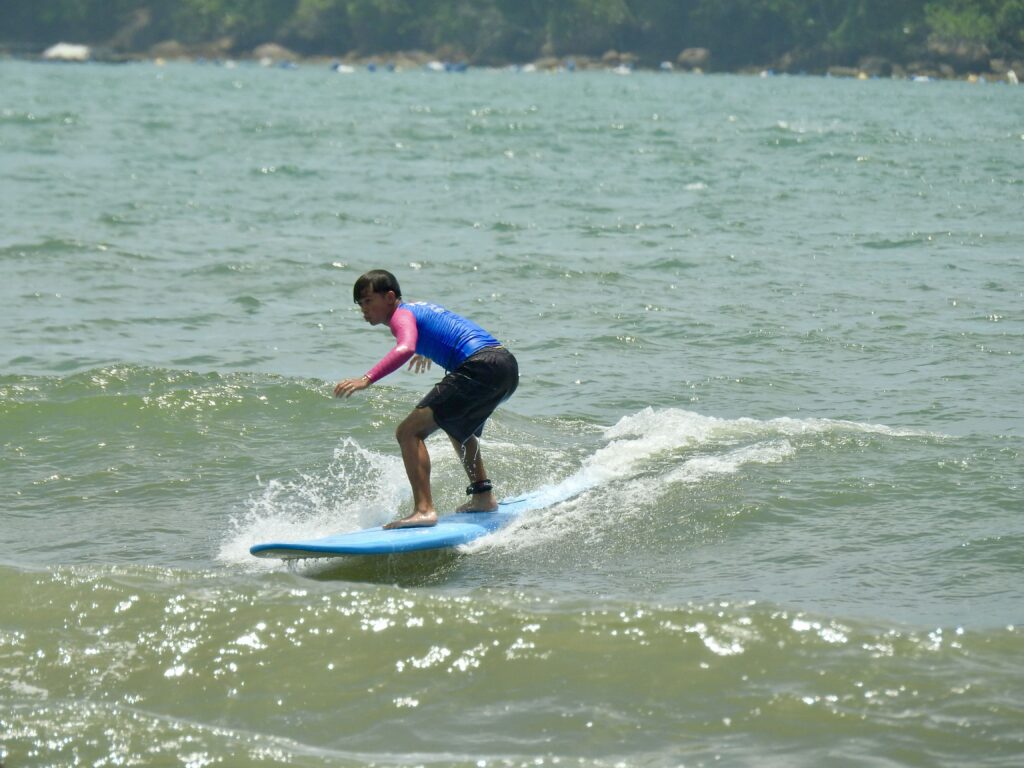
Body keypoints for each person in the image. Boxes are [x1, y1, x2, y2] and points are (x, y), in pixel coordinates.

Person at [333, 269, 519, 529]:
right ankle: (483, 496)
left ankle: (424, 510)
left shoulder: (401, 315)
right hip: (505, 366)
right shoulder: (417, 309)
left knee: (408, 432)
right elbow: (447, 328)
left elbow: (405, 347)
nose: (364, 310)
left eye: (368, 301)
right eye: (360, 304)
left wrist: (367, 379)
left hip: (480, 367)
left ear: (389, 297)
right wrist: (429, 348)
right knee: (458, 429)